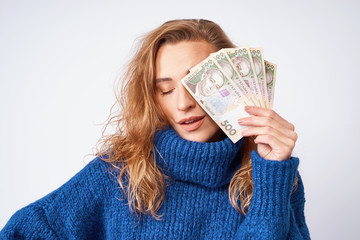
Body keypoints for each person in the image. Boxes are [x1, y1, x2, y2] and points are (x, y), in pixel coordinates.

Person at [0, 19, 310, 239]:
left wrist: (271, 174)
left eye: (197, 84)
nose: (183, 103)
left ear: (233, 82)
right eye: (165, 89)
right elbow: (25, 232)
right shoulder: (120, 173)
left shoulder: (275, 177)